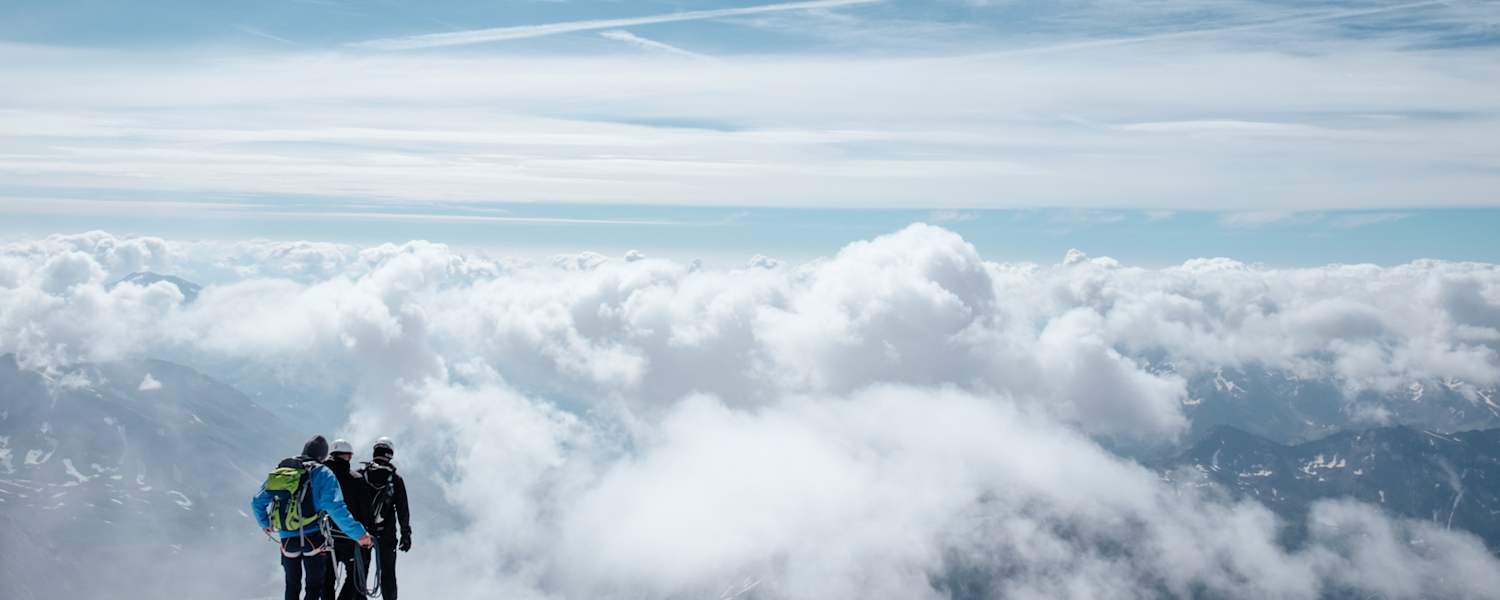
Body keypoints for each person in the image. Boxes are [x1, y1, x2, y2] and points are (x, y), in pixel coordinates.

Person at [252, 435, 372, 600]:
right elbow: (335, 508)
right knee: (314, 587)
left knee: (292, 586)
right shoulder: (323, 472)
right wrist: (360, 535)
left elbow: (257, 501)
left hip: (287, 539)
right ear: (322, 456)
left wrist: (265, 523)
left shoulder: (284, 470)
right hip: (313, 538)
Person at [358, 437, 411, 600]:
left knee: (360, 572)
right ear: (390, 455)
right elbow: (402, 509)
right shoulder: (395, 479)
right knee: (388, 574)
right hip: (386, 534)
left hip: (362, 533)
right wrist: (406, 534)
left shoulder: (360, 475)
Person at [321, 439, 371, 600]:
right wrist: (366, 535)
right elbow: (365, 511)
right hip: (351, 538)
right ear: (349, 456)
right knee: (355, 576)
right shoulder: (356, 478)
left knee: (326, 579)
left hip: (324, 537)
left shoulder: (319, 477)